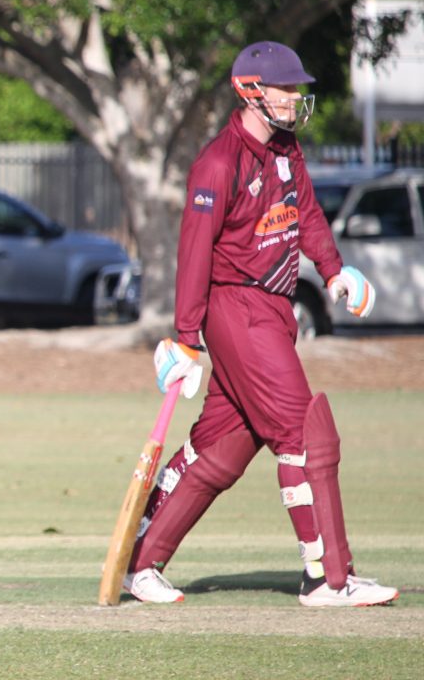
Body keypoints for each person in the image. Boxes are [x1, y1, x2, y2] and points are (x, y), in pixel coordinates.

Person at [122, 42, 398, 607]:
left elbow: (307, 216)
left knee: (221, 449)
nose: (297, 98)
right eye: (287, 89)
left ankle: (140, 563)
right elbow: (194, 253)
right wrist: (184, 336)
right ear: (253, 91)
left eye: (298, 89)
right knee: (304, 432)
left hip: (274, 310)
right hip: (237, 311)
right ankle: (327, 577)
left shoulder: (287, 151)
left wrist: (334, 269)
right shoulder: (218, 162)